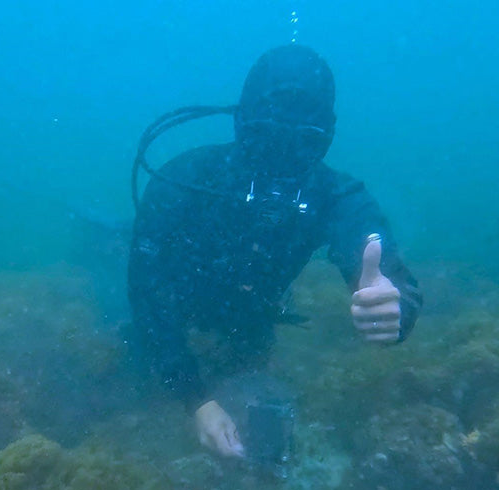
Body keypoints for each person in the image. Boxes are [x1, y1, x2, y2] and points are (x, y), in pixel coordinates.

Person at [128, 44, 422, 458]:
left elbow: (384, 266)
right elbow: (146, 292)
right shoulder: (182, 180)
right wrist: (193, 397)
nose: (281, 154)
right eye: (268, 135)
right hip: (178, 303)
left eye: (303, 140)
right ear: (242, 121)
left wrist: (397, 307)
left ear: (326, 136)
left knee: (248, 358)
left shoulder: (336, 196)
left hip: (250, 316)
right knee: (125, 336)